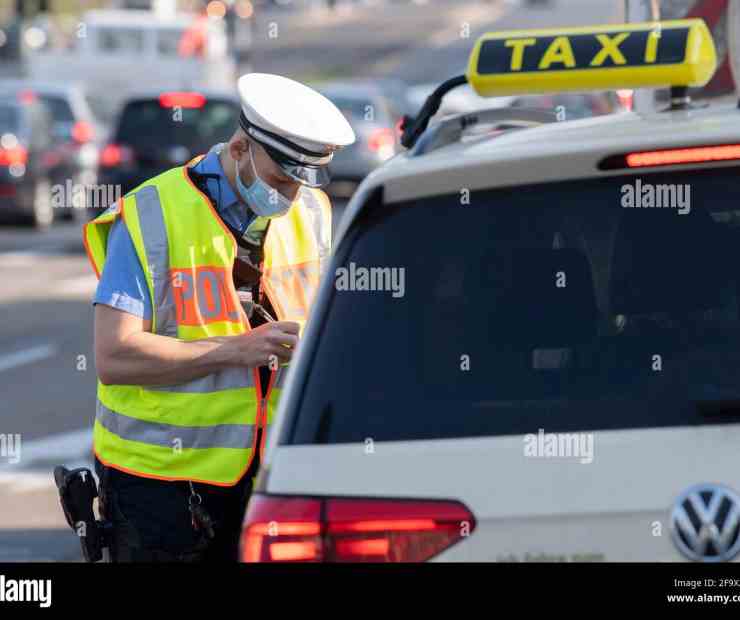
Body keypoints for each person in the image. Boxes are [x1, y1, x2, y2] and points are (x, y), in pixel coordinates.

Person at [83, 73, 355, 562]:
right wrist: (237, 349)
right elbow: (114, 357)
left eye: (299, 183)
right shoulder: (153, 213)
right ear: (238, 148)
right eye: (278, 181)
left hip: (270, 479)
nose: (288, 198)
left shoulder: (311, 211)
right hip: (161, 487)